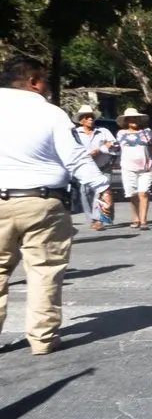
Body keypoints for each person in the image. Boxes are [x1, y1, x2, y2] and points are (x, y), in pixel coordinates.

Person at [0, 56, 112, 354]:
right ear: (34, 82)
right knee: (44, 270)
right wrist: (101, 187)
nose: (48, 87)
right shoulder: (50, 114)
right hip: (42, 202)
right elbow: (75, 158)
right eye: (46, 81)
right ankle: (42, 339)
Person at [115, 108, 152, 230]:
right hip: (128, 168)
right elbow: (115, 147)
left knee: (144, 193)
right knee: (132, 194)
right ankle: (135, 218)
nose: (133, 120)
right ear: (126, 121)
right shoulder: (121, 134)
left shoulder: (147, 132)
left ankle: (144, 221)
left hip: (146, 168)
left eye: (135, 118)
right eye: (130, 118)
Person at [73, 104, 116, 230]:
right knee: (84, 193)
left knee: (101, 192)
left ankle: (99, 219)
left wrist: (100, 150)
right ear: (81, 120)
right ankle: (92, 218)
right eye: (87, 117)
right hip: (85, 168)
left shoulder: (103, 131)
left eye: (91, 117)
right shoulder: (75, 133)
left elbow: (114, 145)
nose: (90, 119)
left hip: (103, 167)